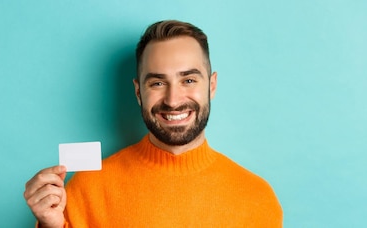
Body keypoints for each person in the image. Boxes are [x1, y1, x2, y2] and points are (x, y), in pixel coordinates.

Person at [24, 20, 283, 227]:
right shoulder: (87, 190)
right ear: (138, 92)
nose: (173, 100)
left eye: (189, 80)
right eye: (157, 83)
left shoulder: (257, 198)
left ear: (212, 85)